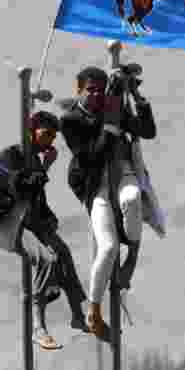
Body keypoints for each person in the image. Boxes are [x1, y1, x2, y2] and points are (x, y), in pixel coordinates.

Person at [59, 64, 164, 341]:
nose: (94, 95)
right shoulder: (70, 121)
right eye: (89, 90)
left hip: (124, 174)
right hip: (96, 186)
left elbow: (148, 130)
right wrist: (110, 122)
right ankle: (93, 312)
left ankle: (132, 258)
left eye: (99, 90)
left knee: (132, 198)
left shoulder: (113, 108)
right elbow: (92, 155)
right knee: (107, 248)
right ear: (79, 91)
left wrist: (134, 96)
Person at [0, 110, 90, 350]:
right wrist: (45, 167)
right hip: (7, 224)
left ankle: (79, 314)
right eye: (46, 134)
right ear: (31, 132)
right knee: (47, 260)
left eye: (53, 136)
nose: (50, 141)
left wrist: (48, 220)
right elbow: (21, 189)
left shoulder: (34, 160)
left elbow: (36, 199)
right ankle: (38, 327)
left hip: (31, 222)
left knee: (64, 254)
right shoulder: (10, 156)